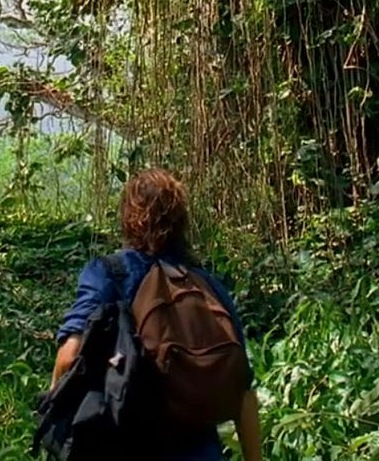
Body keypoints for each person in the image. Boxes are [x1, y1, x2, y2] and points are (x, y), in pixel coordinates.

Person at [48, 168, 262, 461]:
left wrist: (53, 409)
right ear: (181, 223)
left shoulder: (109, 273)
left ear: (127, 218)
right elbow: (244, 391)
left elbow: (69, 356)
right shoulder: (206, 285)